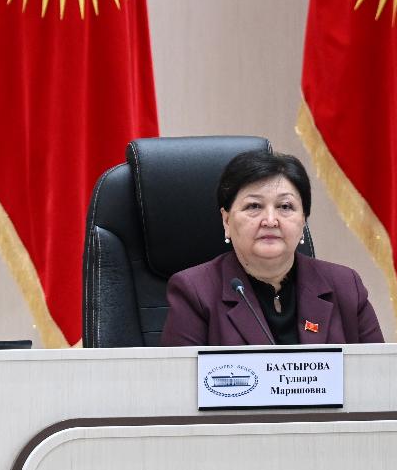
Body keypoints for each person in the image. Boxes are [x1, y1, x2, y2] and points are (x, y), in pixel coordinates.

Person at [161, 148, 382, 346]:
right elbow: (179, 379)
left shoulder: (345, 286)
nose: (270, 220)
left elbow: (379, 373)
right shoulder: (195, 293)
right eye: (254, 206)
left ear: (303, 221)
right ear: (226, 221)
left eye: (285, 206)